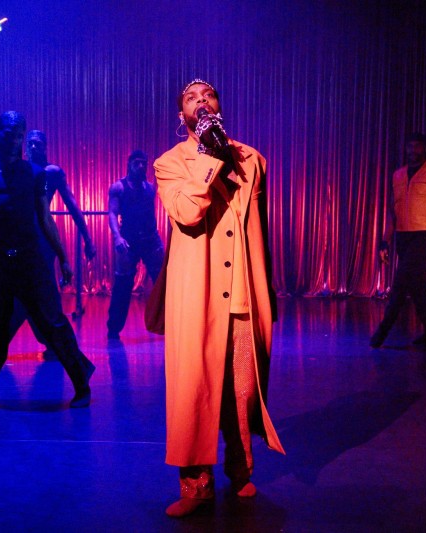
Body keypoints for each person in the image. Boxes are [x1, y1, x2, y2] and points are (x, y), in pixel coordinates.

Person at [153, 79, 285, 517]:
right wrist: (208, 159)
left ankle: (241, 471)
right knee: (194, 389)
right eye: (191, 98)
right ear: (182, 116)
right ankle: (196, 487)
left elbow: (259, 230)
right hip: (197, 292)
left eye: (207, 95)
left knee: (242, 391)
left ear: (219, 105)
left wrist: (266, 287)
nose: (201, 101)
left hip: (243, 289)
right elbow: (187, 213)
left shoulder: (251, 159)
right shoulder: (169, 163)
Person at [0, 111, 95, 408]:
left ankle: (81, 383)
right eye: (10, 133)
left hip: (28, 258)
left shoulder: (35, 174)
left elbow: (46, 218)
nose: (15, 139)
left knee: (52, 322)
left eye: (19, 134)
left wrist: (63, 257)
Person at [5, 130, 96, 357]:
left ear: (45, 147)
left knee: (42, 290)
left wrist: (87, 238)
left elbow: (72, 205)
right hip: (21, 236)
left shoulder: (52, 172)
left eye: (38, 144)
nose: (34, 147)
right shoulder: (19, 169)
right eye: (30, 143)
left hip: (42, 237)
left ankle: (52, 341)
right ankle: (45, 340)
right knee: (20, 288)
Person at [370, 132, 426, 348]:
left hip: (425, 233)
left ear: (425, 148)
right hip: (403, 235)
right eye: (410, 146)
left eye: (417, 146)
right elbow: (393, 211)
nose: (413, 150)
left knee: (401, 280)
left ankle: (383, 330)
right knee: (416, 284)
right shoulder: (398, 175)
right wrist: (385, 241)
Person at [106, 150, 164, 340]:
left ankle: (167, 323)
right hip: (128, 241)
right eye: (137, 163)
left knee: (162, 281)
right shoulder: (118, 187)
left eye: (144, 163)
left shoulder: (150, 188)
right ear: (129, 164)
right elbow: (112, 213)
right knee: (123, 284)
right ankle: (114, 328)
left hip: (150, 240)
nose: (141, 166)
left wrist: (157, 242)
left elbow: (150, 216)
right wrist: (117, 237)